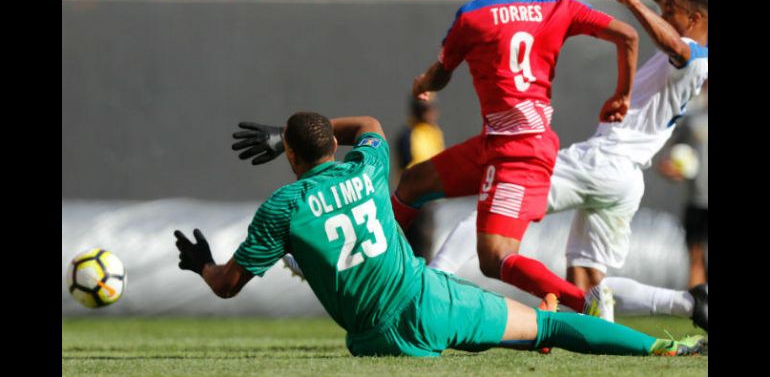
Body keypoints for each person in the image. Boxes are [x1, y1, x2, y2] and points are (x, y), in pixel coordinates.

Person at [175, 112, 705, 357]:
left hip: (376, 340)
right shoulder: (366, 167)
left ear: (288, 156)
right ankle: (672, 351)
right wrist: (288, 132)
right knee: (550, 328)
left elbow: (226, 285)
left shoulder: (281, 208)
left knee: (501, 336)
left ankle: (515, 340)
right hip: (429, 300)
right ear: (329, 148)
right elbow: (367, 124)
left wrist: (201, 261)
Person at [427, 0, 708, 331]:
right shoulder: (695, 41)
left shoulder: (694, 56)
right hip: (626, 180)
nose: (664, 12)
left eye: (672, 13)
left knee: (489, 218)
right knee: (589, 282)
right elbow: (671, 0)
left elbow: (672, 44)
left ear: (695, 19)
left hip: (602, 159)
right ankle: (688, 304)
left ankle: (433, 285)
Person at [387, 0, 639, 317]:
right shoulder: (559, 5)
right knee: (413, 183)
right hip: (501, 141)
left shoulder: (472, 16)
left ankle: (584, 300)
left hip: (518, 153)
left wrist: (423, 81)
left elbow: (441, 76)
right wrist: (623, 93)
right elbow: (627, 35)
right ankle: (374, 261)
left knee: (495, 257)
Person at [659, 81, 708, 288]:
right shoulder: (692, 119)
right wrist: (671, 169)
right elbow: (670, 156)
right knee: (695, 255)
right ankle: (696, 308)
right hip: (697, 200)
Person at [395, 95, 445, 259]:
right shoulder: (409, 134)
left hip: (431, 196)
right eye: (424, 109)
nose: (429, 113)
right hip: (416, 197)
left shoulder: (434, 132)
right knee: (418, 242)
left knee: (427, 242)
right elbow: (408, 167)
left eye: (431, 108)